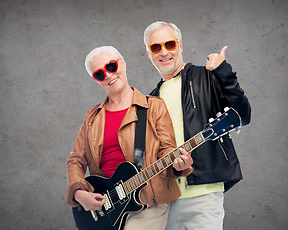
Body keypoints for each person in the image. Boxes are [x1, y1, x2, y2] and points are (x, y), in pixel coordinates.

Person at [65, 46, 193, 230]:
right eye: (99, 74)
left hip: (146, 201)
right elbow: (76, 159)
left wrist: (180, 165)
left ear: (123, 63)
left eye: (111, 66)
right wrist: (78, 193)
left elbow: (167, 151)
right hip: (104, 207)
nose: (108, 75)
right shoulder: (93, 116)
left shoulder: (153, 107)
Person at [143, 21, 252, 230]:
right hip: (165, 201)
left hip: (203, 195)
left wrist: (224, 72)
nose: (164, 52)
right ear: (149, 53)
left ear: (180, 46)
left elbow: (243, 115)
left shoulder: (208, 76)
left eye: (170, 44)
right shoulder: (151, 101)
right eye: (156, 47)